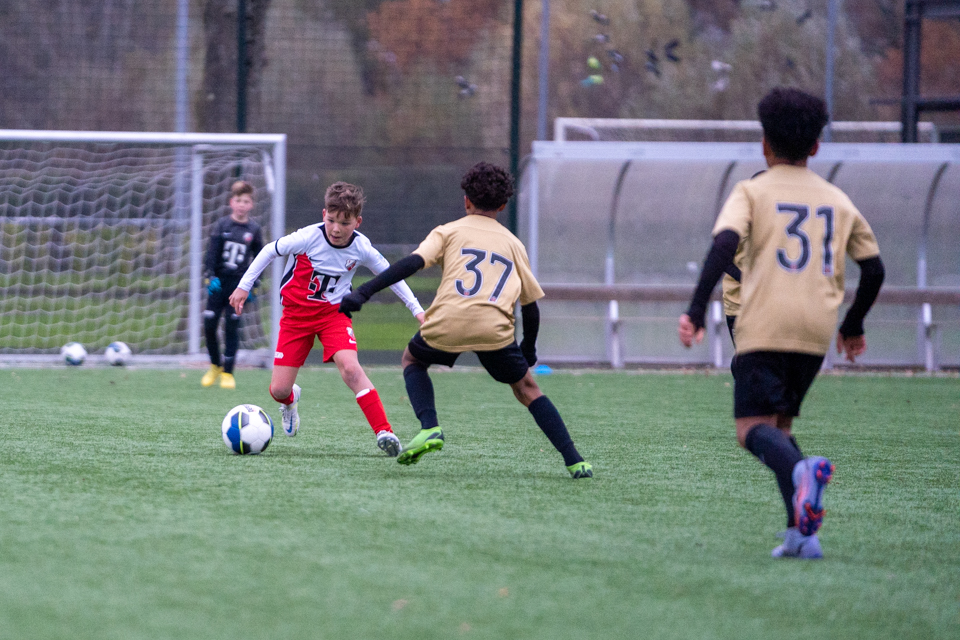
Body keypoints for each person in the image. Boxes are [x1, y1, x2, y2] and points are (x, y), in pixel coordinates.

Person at [678, 87, 885, 559]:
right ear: (816, 146)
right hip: (815, 332)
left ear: (764, 144)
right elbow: (874, 270)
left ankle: (802, 475)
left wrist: (693, 312)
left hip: (764, 323)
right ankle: (800, 533)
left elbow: (721, 248)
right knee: (781, 428)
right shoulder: (837, 198)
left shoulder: (752, 191)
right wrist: (852, 325)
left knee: (750, 428)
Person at [338, 162, 593, 479]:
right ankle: (575, 460)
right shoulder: (514, 245)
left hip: (448, 322)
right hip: (494, 330)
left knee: (413, 360)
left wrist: (363, 293)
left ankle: (430, 427)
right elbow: (530, 305)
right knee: (527, 388)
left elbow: (410, 264)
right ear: (502, 205)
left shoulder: (448, 231)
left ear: (466, 201)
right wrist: (529, 348)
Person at [228, 181, 425, 456]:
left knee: (351, 369)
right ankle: (291, 400)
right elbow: (269, 251)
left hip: (334, 316)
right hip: (295, 318)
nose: (335, 228)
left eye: (344, 223)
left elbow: (391, 275)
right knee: (279, 389)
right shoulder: (307, 237)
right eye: (331, 220)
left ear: (357, 221)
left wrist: (416, 309)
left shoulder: (363, 247)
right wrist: (244, 285)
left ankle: (385, 432)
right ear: (323, 215)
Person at [201, 180, 265, 389]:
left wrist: (254, 285)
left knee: (232, 326)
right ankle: (214, 365)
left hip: (238, 286)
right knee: (209, 324)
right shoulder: (222, 225)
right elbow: (212, 254)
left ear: (251, 205)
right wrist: (209, 277)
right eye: (238, 200)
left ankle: (228, 372)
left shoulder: (254, 230)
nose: (241, 204)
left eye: (245, 201)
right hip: (219, 284)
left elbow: (260, 259)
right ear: (231, 202)